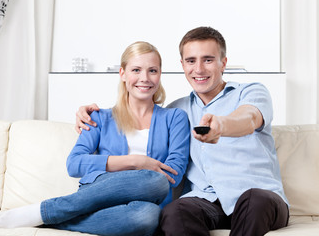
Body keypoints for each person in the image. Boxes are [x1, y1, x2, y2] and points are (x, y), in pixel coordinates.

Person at [75, 27, 289, 236]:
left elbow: (249, 117)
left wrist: (221, 126)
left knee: (254, 200)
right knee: (175, 212)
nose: (199, 69)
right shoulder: (176, 112)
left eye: (208, 59)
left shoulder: (251, 92)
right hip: (206, 200)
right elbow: (141, 122)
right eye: (191, 61)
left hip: (258, 199)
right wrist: (90, 113)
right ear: (182, 65)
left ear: (223, 63)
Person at [0, 41, 190, 236]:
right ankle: (51, 210)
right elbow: (74, 164)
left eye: (152, 71)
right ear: (123, 74)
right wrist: (136, 161)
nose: (144, 78)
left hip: (148, 200)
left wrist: (142, 171)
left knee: (150, 210)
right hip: (100, 193)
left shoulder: (175, 118)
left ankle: (50, 217)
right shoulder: (98, 117)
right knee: (156, 180)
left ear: (160, 74)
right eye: (136, 70)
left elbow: (174, 173)